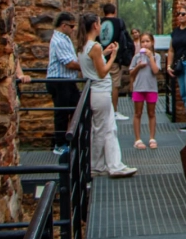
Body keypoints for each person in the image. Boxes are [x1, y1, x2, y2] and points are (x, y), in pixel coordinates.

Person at [76, 13, 136, 177]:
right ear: (95, 25)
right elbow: (102, 72)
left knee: (104, 129)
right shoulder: (94, 46)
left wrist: (104, 53)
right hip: (100, 91)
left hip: (94, 92)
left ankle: (105, 164)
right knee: (105, 129)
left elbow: (92, 61)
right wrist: (113, 57)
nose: (101, 26)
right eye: (100, 23)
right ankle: (106, 165)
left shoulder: (84, 45)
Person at [46, 12, 81, 156]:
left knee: (74, 108)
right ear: (64, 25)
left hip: (67, 81)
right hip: (60, 81)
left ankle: (69, 139)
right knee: (61, 112)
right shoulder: (59, 40)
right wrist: (86, 66)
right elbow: (69, 63)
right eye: (71, 26)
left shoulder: (64, 39)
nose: (73, 29)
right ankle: (60, 143)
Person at [99, 3, 133, 121]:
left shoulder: (99, 22)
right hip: (114, 58)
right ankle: (113, 111)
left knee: (101, 84)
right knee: (115, 85)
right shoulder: (119, 22)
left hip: (100, 57)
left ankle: (102, 111)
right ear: (114, 11)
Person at [129, 33, 162, 150]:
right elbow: (131, 72)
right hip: (138, 88)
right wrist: (138, 66)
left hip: (151, 88)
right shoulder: (136, 57)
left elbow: (155, 71)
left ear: (152, 42)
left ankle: (152, 137)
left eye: (147, 41)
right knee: (137, 113)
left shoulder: (156, 56)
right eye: (143, 41)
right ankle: (137, 139)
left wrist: (150, 58)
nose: (145, 44)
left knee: (151, 113)